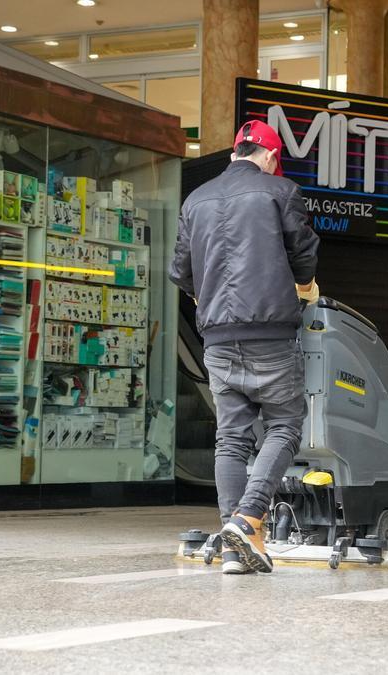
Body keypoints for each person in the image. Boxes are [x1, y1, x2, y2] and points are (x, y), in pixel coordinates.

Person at [168, 120, 320, 574]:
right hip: (269, 332)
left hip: (216, 338)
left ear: (236, 151)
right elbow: (304, 255)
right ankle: (248, 516)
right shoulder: (280, 192)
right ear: (271, 157)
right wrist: (305, 287)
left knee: (231, 438)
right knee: (286, 424)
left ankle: (236, 547)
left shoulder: (195, 199)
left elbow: (181, 271)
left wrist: (207, 298)